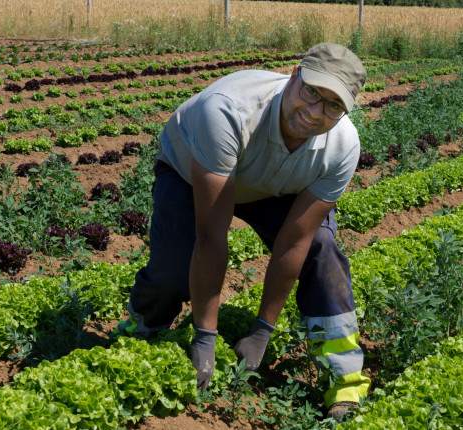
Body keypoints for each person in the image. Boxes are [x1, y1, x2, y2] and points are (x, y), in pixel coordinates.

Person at [113, 43, 371, 421]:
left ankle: (345, 381)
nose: (314, 112)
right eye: (312, 92)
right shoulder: (228, 111)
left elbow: (295, 241)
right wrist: (205, 338)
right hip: (193, 169)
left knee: (320, 250)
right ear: (295, 74)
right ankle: (142, 329)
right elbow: (212, 236)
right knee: (173, 268)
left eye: (333, 105)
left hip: (277, 185)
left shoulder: (342, 148)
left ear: (347, 110)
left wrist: (263, 331)